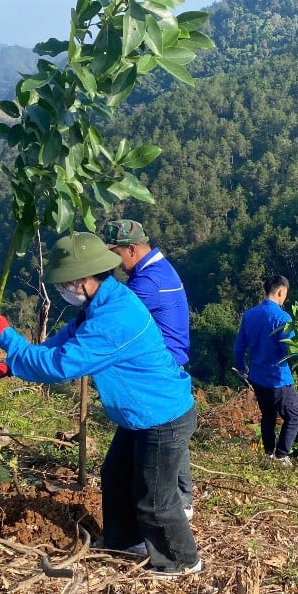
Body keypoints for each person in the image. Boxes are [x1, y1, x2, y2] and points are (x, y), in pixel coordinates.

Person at [0, 232, 201, 578]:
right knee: (115, 475)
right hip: (140, 414)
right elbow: (66, 338)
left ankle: (181, 560)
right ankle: (125, 541)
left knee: (154, 498)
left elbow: (61, 365)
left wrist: (9, 340)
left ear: (84, 279)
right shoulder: (103, 301)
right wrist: (12, 362)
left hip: (162, 416)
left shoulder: (115, 319)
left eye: (66, 282)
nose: (62, 289)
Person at [101, 219, 195, 520]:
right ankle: (183, 497)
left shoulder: (146, 282)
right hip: (171, 357)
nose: (112, 261)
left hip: (160, 364)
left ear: (131, 249)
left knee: (165, 432)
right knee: (170, 429)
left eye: (114, 253)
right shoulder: (158, 269)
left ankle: (178, 501)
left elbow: (114, 322)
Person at [233, 275, 298, 466]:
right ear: (281, 292)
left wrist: (241, 369)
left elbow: (238, 348)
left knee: (268, 415)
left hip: (257, 376)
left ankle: (269, 453)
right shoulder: (282, 318)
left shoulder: (249, 315)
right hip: (278, 378)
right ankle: (281, 455)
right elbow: (290, 351)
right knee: (294, 416)